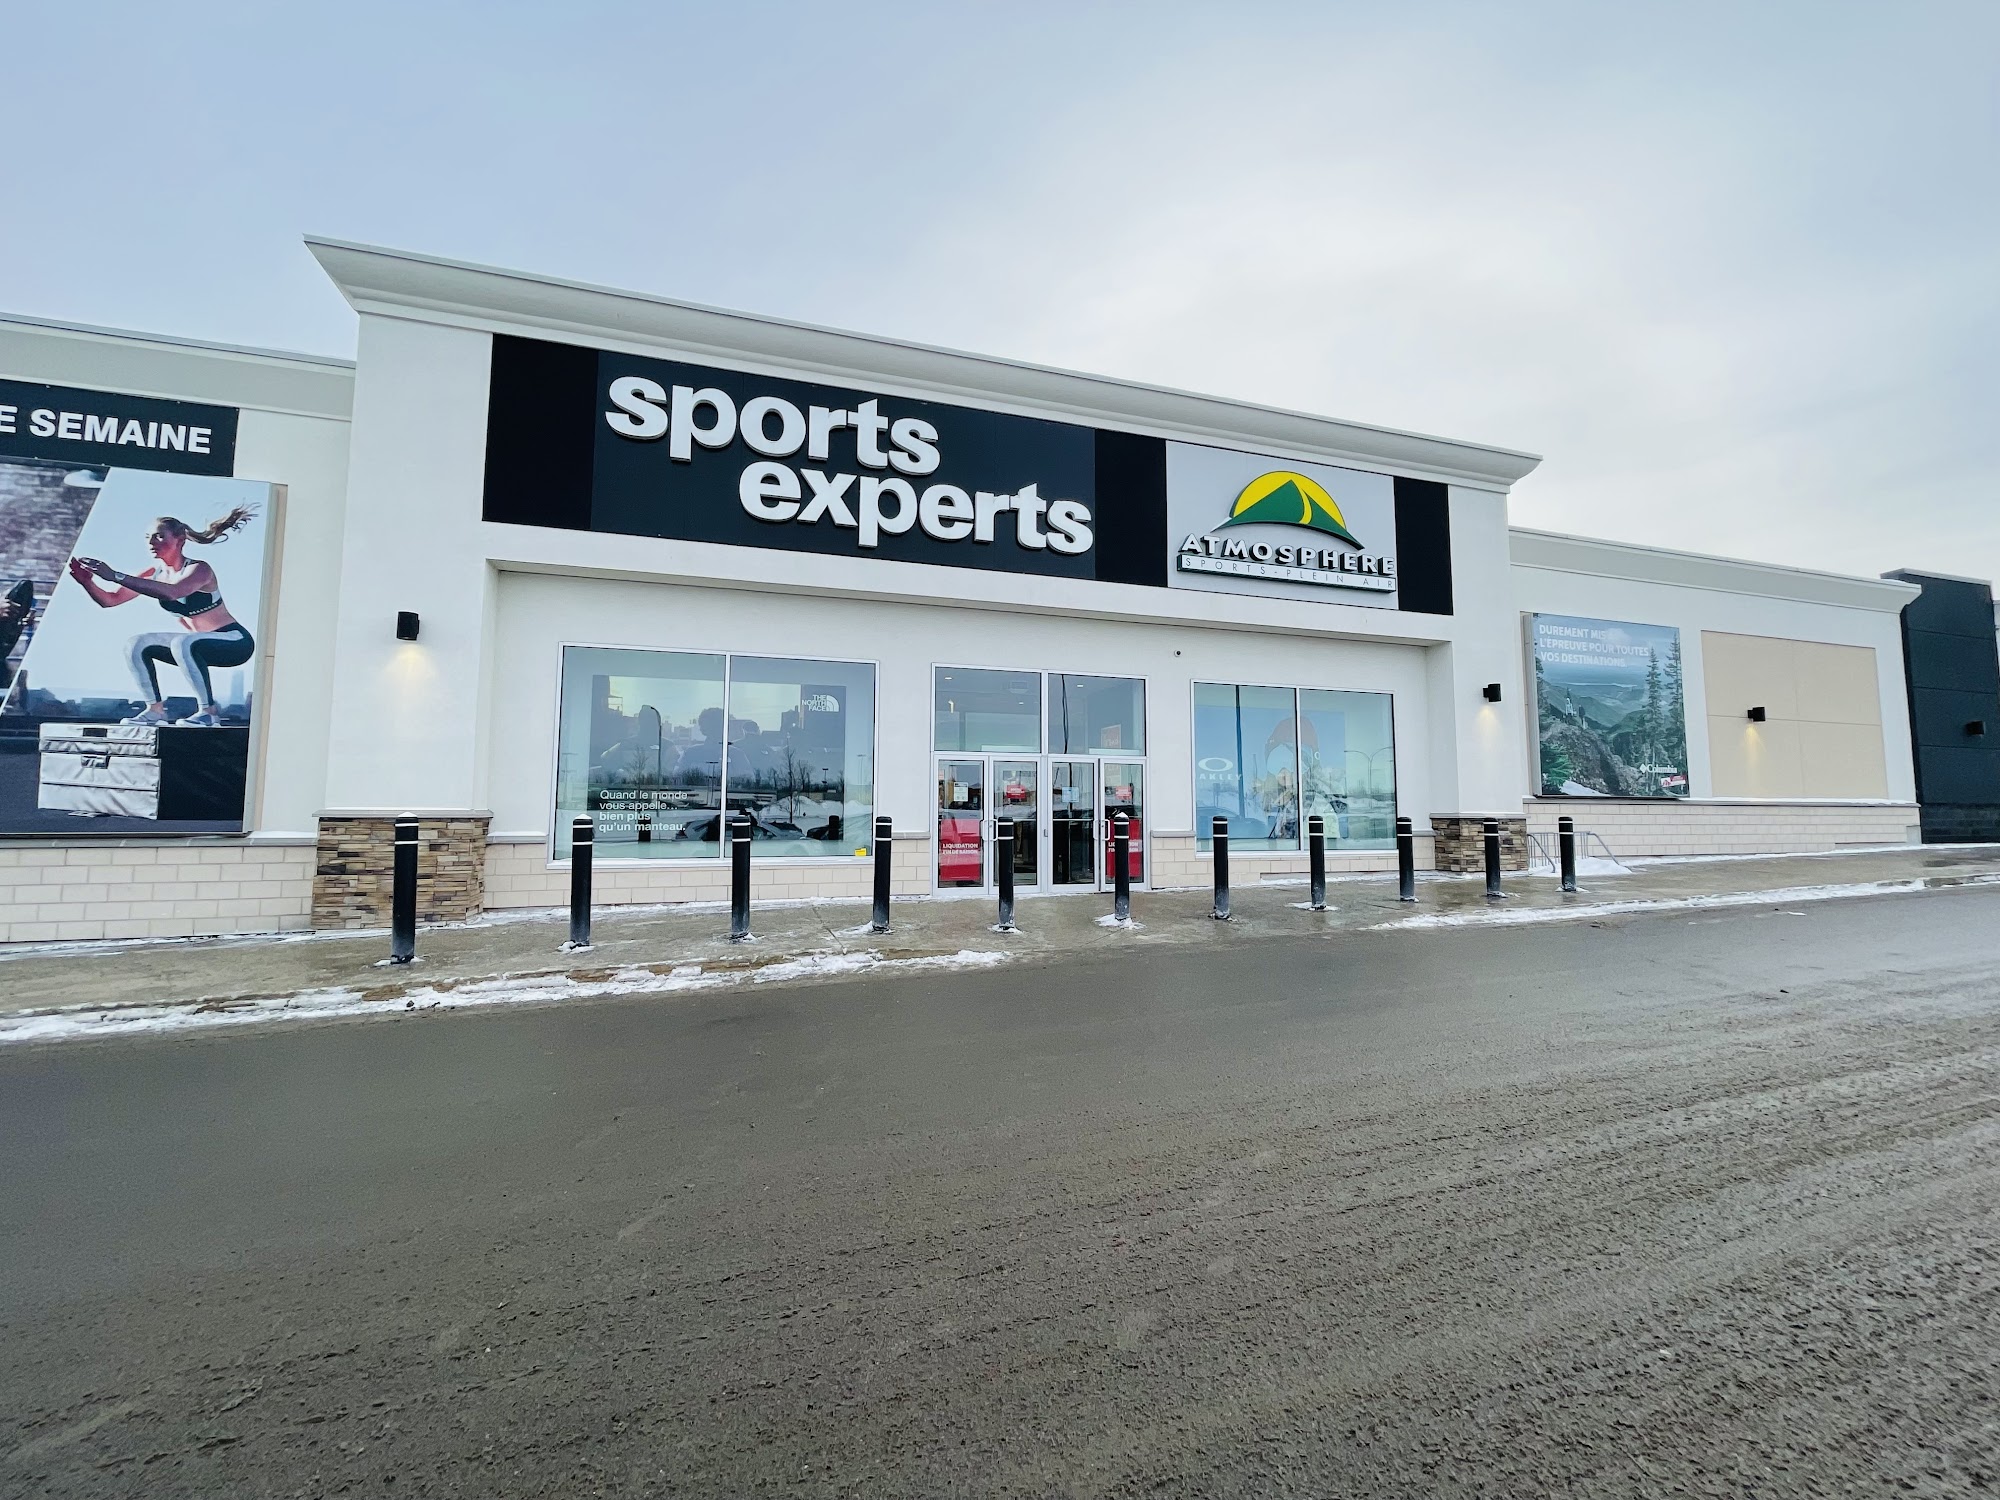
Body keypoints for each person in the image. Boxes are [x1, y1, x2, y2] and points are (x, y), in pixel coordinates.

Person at [68, 506, 257, 727]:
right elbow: (110, 600)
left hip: (234, 642)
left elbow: (173, 592)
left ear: (180, 540)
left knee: (183, 643)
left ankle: (209, 713)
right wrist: (87, 583)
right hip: (193, 647)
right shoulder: (153, 574)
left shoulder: (199, 569)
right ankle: (155, 711)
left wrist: (114, 575)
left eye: (159, 536)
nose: (151, 542)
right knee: (136, 643)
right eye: (148, 537)